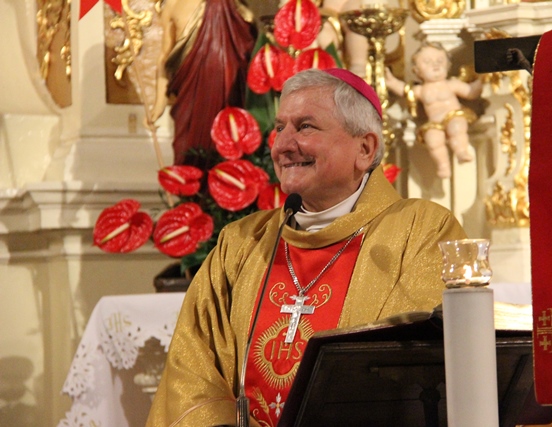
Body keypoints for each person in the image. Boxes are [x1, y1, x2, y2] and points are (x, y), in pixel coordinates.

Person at [146, 68, 466, 427]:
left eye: (305, 127)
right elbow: (192, 371)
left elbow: (408, 369)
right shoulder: (241, 242)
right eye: (280, 127)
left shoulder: (420, 230)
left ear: (365, 148)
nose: (282, 145)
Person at [148, 0, 256, 165]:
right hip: (189, 97)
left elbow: (248, 47)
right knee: (186, 153)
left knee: (225, 153)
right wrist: (159, 104)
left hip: (227, 93)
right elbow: (164, 56)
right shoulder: (172, 5)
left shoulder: (229, 5)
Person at [386, 42, 483, 178]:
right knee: (432, 139)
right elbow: (405, 91)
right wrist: (391, 82)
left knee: (456, 128)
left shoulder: (451, 84)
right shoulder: (421, 90)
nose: (435, 65)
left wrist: (482, 80)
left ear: (448, 65)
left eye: (440, 61)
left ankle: (461, 151)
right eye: (427, 62)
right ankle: (443, 165)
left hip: (453, 115)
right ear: (417, 71)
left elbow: (471, 92)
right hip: (434, 122)